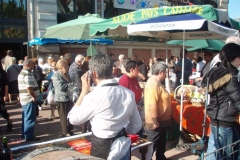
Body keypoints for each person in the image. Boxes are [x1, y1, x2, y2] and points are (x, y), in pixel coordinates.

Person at [68, 53, 142, 160]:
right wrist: (123, 133)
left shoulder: (93, 96)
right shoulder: (128, 93)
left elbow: (73, 119)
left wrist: (83, 92)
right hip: (123, 146)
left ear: (93, 73)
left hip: (102, 148)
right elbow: (137, 125)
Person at [202, 43, 240, 160]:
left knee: (214, 151)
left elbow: (204, 85)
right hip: (225, 119)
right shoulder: (229, 76)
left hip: (217, 117)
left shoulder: (217, 70)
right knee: (226, 154)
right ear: (233, 57)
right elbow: (237, 99)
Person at [144, 61, 171, 160]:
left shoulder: (157, 82)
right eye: (165, 72)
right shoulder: (153, 84)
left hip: (161, 119)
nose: (166, 75)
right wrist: (155, 120)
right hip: (156, 120)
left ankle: (160, 157)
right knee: (152, 143)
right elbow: (151, 103)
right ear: (161, 72)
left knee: (161, 141)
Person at [18, 59, 40, 141]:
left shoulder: (21, 73)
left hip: (24, 98)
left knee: (26, 117)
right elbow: (29, 87)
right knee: (30, 118)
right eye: (32, 65)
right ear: (27, 65)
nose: (33, 66)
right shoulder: (27, 74)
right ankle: (29, 135)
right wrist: (34, 97)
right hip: (28, 99)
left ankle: (25, 134)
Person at [52, 60, 74, 137]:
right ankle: (64, 132)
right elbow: (61, 87)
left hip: (69, 97)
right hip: (61, 98)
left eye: (67, 66)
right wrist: (70, 85)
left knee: (70, 115)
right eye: (65, 66)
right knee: (63, 116)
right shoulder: (56, 75)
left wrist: (70, 85)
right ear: (60, 68)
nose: (67, 67)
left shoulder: (68, 75)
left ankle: (69, 129)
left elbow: (73, 83)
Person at [0, 63, 13, 132]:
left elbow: (6, 85)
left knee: (3, 110)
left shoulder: (2, 72)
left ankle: (9, 122)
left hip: (0, 95)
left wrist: (6, 94)